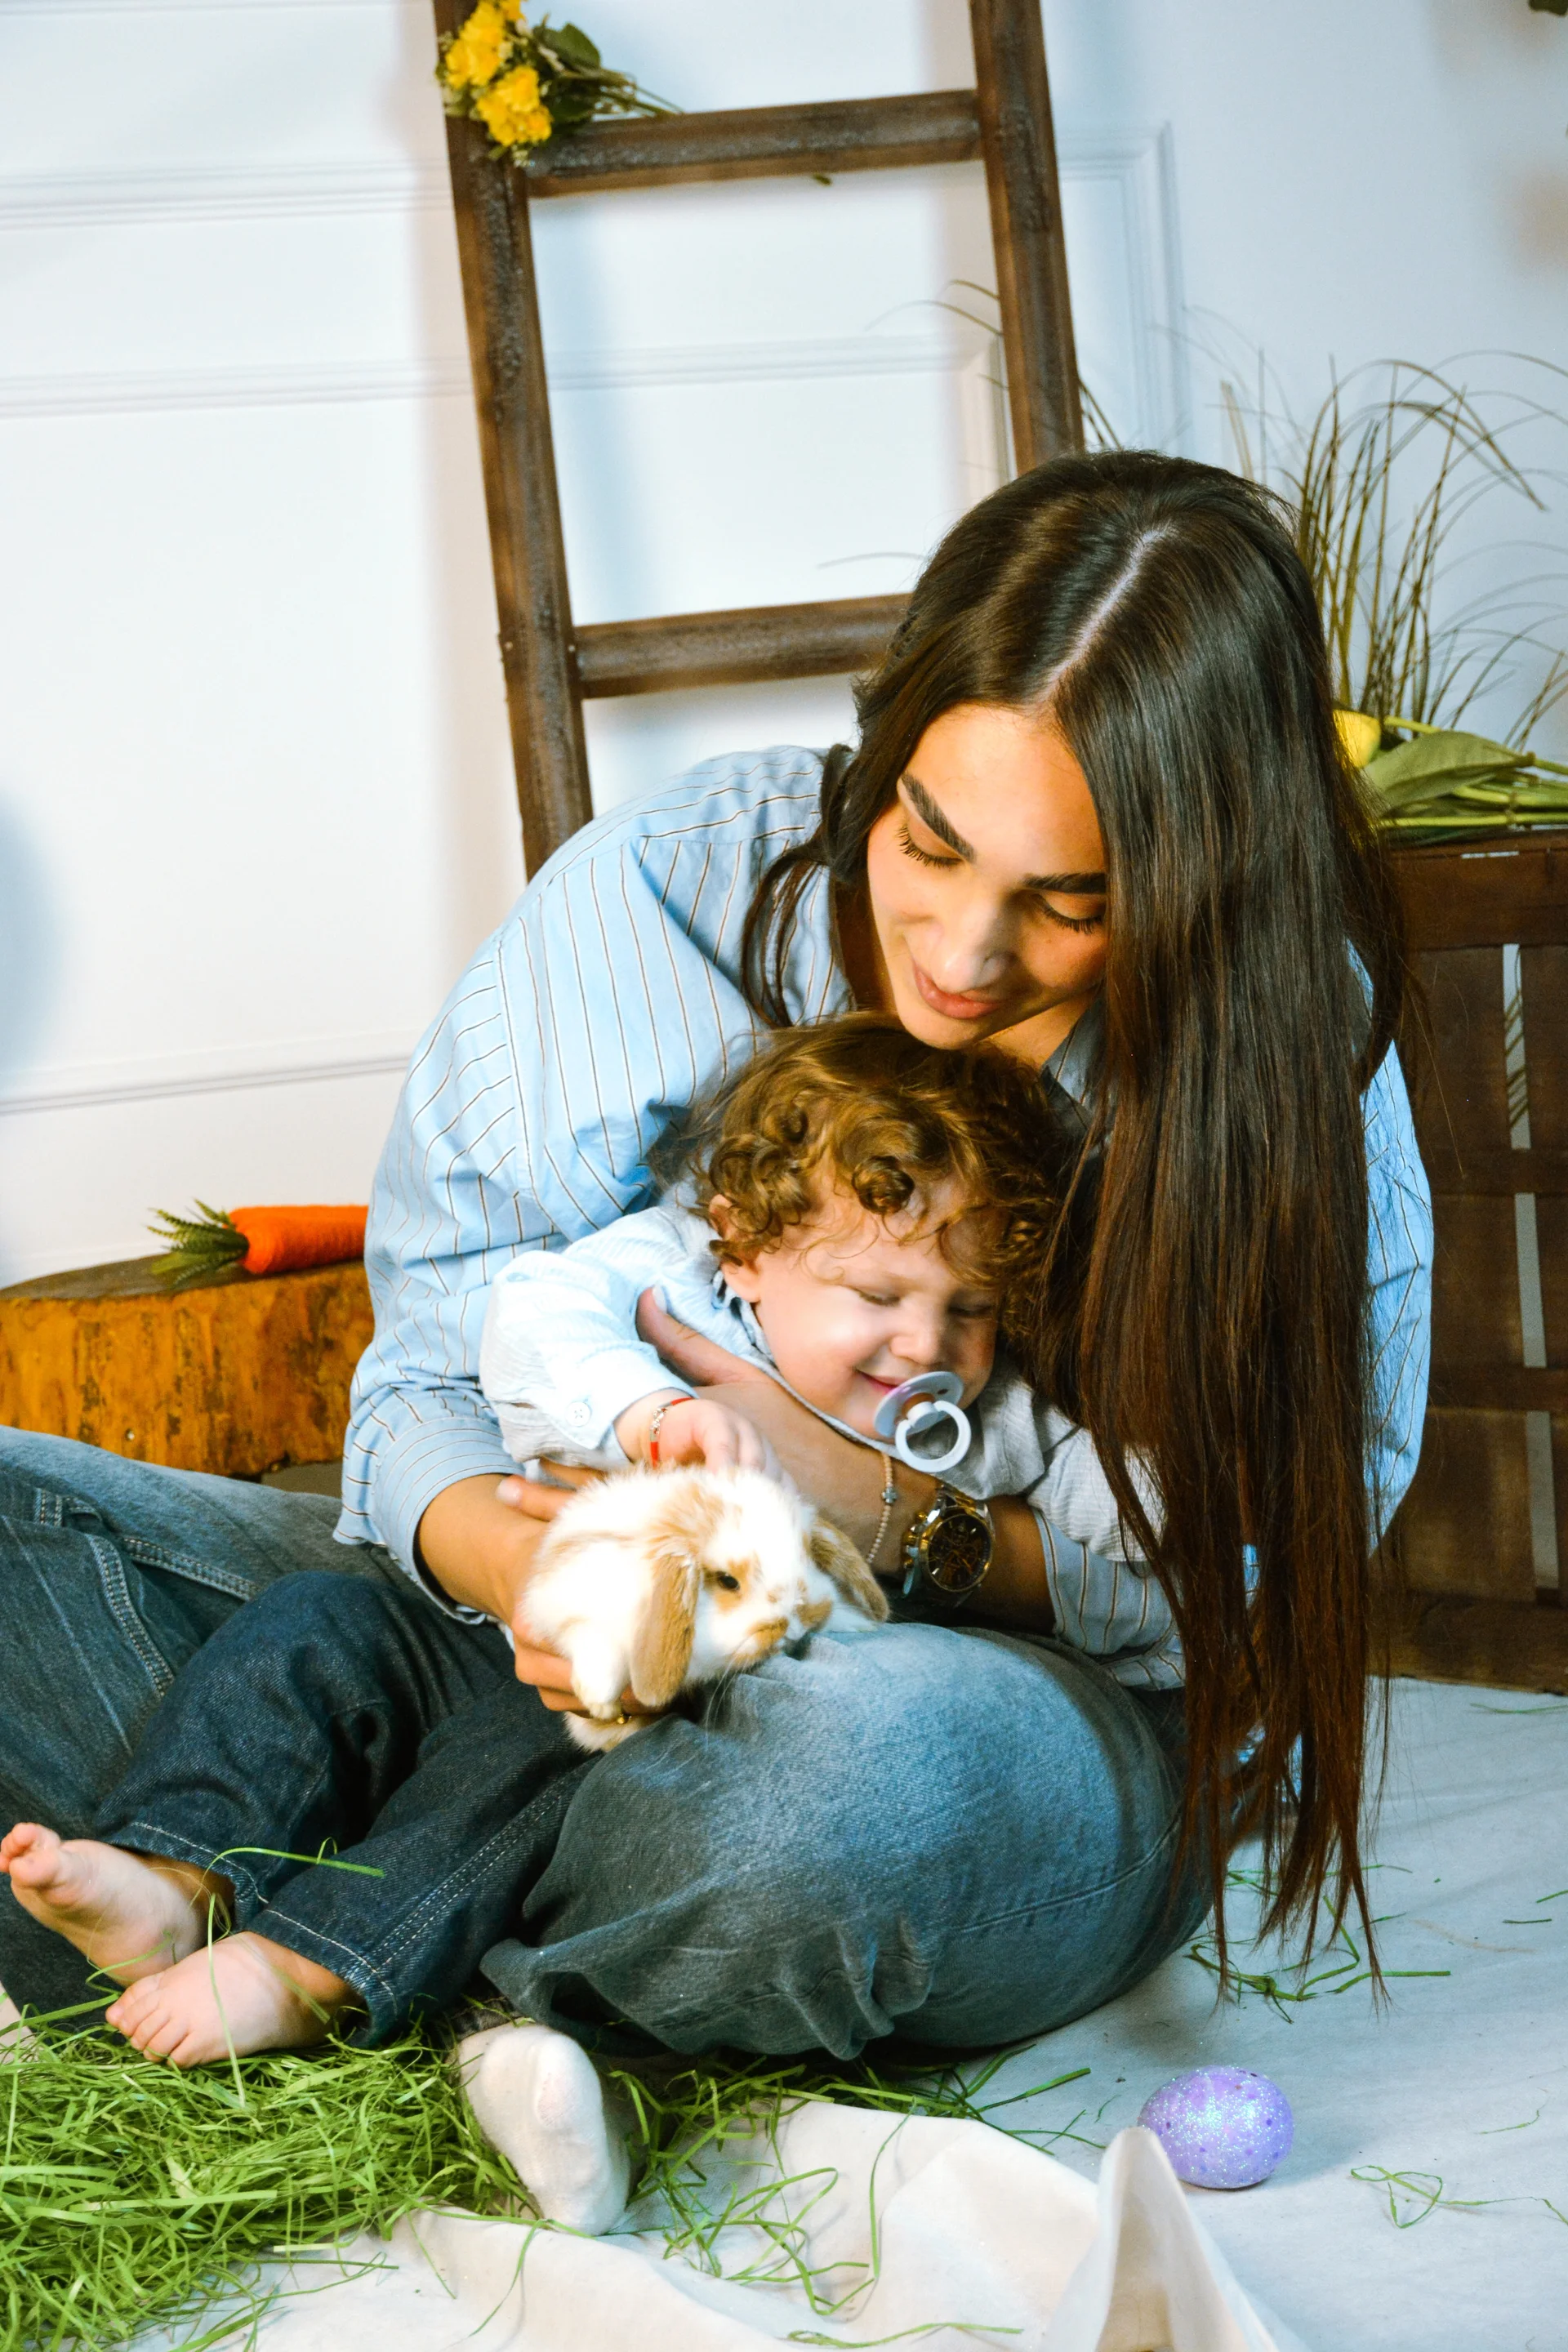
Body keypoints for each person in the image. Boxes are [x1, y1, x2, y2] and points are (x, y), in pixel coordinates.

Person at [0, 454, 1432, 2092]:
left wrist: (872, 1505)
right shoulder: (668, 889)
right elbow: (434, 1373)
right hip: (527, 1635)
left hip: (979, 1712)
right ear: (880, 756)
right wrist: (527, 1580)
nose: (961, 959)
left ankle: (337, 1933)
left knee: (828, 1801)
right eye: (929, 842)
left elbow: (1231, 1571)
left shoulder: (1284, 1044)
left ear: (1198, 888)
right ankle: (335, 1922)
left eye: (1067, 904)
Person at [2, 1015, 1152, 2066]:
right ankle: (177, 1869)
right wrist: (650, 1413)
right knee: (317, 1624)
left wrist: (931, 1499)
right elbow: (532, 1314)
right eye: (875, 1292)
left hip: (670, 1704)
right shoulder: (677, 1287)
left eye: (968, 1310)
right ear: (745, 1246)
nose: (924, 1343)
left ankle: (310, 1965)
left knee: (521, 1751)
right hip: (503, 1611)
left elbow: (1141, 1569)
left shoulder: (987, 1427)